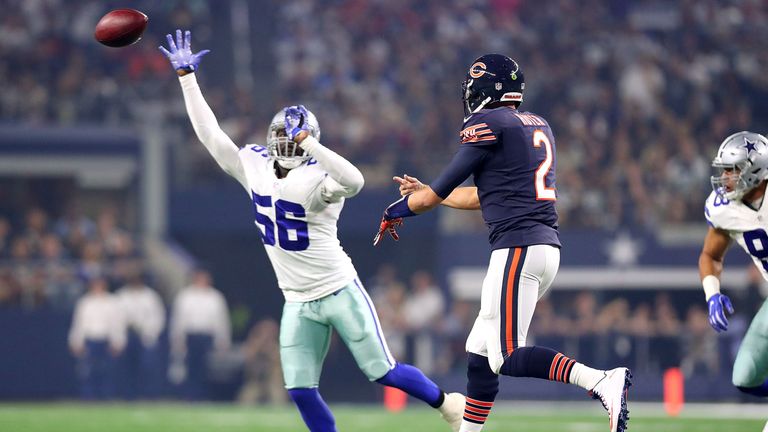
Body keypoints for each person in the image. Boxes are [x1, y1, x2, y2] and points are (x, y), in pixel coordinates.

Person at [159, 29, 464, 431]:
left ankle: (448, 405)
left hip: (338, 289)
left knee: (382, 370)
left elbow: (354, 181)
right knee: (300, 389)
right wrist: (187, 79)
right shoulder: (253, 165)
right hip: (297, 299)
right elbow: (212, 137)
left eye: (295, 134)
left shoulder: (320, 176)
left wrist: (310, 143)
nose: (287, 140)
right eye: (284, 134)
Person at [377, 54, 631, 432]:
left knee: (506, 355)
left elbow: (432, 196)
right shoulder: (534, 123)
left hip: (518, 247)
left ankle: (599, 381)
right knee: (479, 358)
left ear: (485, 88)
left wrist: (398, 208)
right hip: (541, 248)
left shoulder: (487, 122)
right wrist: (433, 193)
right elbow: (480, 194)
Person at [699, 131, 768, 398]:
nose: (725, 177)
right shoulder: (723, 208)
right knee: (745, 377)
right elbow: (710, 256)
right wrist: (712, 294)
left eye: (733, 170)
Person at [170, 269, 231, 400]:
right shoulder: (185, 296)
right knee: (190, 368)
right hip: (191, 337)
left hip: (207, 337)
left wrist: (223, 340)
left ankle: (204, 396)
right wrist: (178, 339)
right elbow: (179, 320)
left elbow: (221, 321)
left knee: (206, 369)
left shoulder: (215, 297)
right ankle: (190, 396)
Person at [68, 277, 126, 399]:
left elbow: (117, 323)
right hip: (90, 340)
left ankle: (107, 397)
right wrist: (76, 341)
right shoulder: (85, 302)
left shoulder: (112, 302)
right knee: (88, 371)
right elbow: (79, 324)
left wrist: (118, 341)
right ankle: (88, 397)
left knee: (107, 371)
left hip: (106, 340)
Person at [116, 270, 166, 399]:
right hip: (128, 336)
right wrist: (119, 337)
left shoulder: (150, 296)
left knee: (147, 368)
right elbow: (116, 318)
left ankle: (147, 395)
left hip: (145, 337)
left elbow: (158, 318)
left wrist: (151, 333)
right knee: (127, 368)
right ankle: (128, 395)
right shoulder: (122, 296)